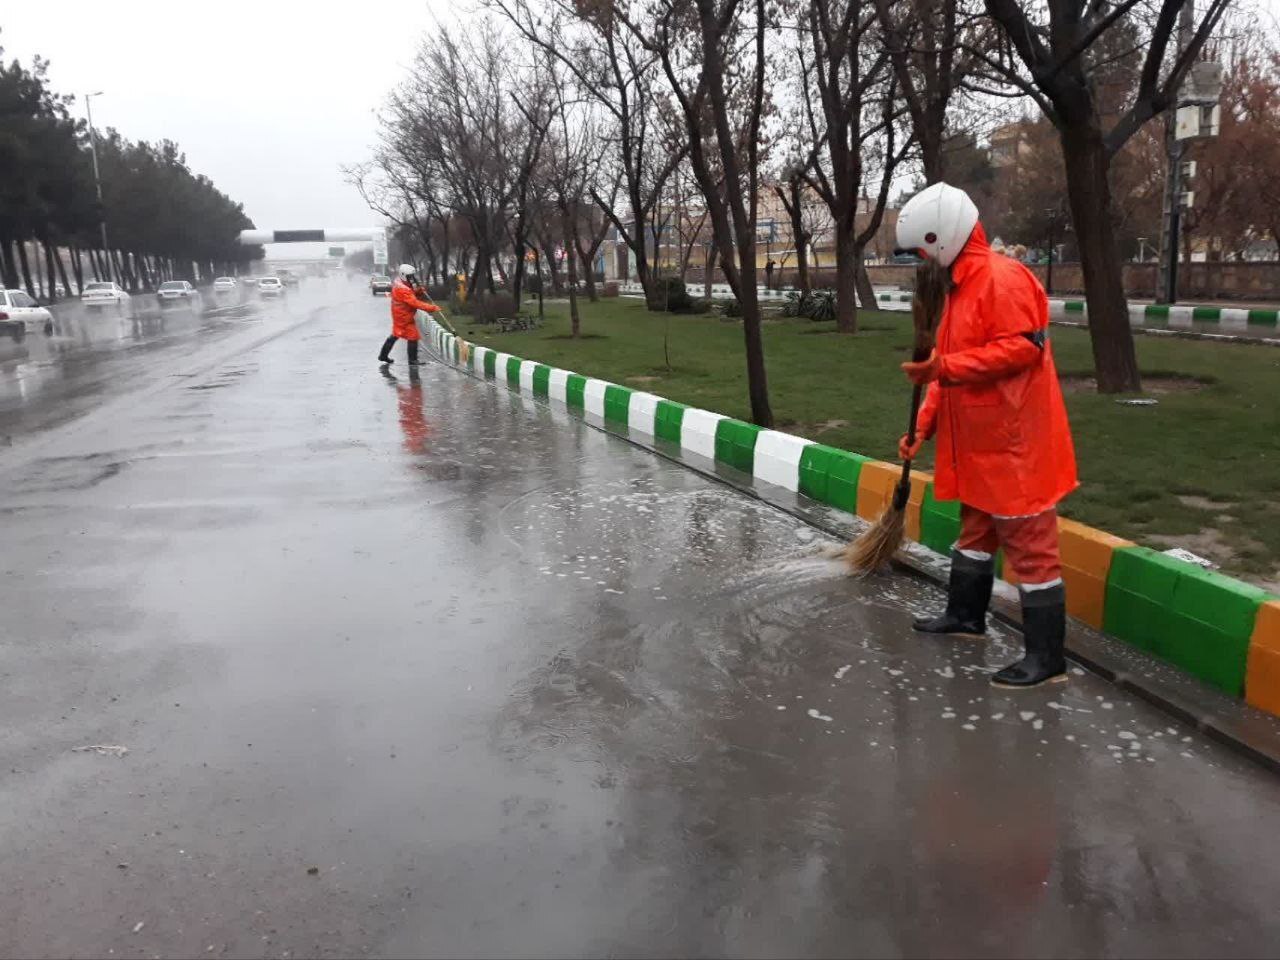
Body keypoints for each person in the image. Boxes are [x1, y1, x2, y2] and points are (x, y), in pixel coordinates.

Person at [894, 182, 1078, 689]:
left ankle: (1047, 659)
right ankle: (965, 617)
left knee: (1031, 546)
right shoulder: (961, 287)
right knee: (975, 532)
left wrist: (944, 367)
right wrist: (921, 428)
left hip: (1014, 446)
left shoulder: (1002, 279)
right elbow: (944, 373)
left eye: (923, 248)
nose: (923, 259)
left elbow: (1021, 349)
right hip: (980, 445)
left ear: (943, 235)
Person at [379, 263, 441, 366]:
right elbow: (414, 302)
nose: (412, 278)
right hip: (403, 316)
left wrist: (418, 291)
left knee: (395, 335)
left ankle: (383, 355)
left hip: (401, 314)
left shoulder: (401, 282)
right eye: (410, 276)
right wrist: (432, 308)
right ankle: (412, 360)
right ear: (404, 275)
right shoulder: (402, 289)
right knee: (412, 335)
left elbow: (410, 295)